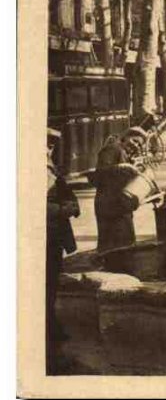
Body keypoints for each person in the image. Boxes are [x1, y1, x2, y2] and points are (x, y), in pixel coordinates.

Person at [46, 128, 79, 361]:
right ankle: (50, 329)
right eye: (47, 146)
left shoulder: (48, 167)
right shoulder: (37, 168)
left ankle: (51, 325)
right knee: (48, 281)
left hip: (53, 234)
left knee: (52, 280)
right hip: (47, 234)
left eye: (51, 147)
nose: (49, 150)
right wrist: (66, 209)